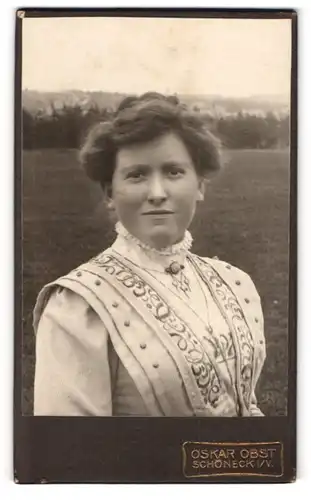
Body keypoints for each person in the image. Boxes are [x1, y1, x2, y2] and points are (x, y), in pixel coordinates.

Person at [33, 92, 266, 417]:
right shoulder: (77, 309)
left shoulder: (235, 283)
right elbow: (72, 457)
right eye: (137, 175)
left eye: (173, 172)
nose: (157, 193)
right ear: (110, 193)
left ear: (200, 186)